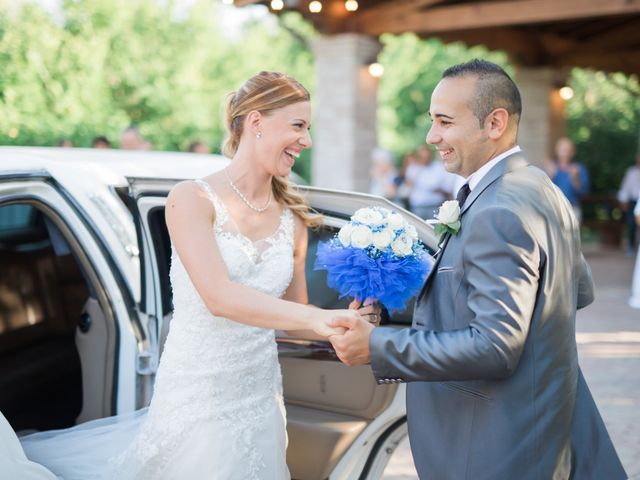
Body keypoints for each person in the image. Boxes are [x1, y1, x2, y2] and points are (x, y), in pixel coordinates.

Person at [18, 72, 373, 479]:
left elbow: (292, 316)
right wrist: (318, 318)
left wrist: (346, 324)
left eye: (307, 129)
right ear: (256, 122)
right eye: (298, 125)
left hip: (259, 398)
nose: (306, 140)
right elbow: (218, 297)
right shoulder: (191, 198)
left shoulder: (292, 218)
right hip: (197, 396)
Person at [328, 59, 626, 479]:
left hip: (493, 446)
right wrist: (395, 315)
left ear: (495, 122)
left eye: (445, 122)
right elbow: (576, 291)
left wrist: (378, 345)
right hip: (542, 425)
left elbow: (496, 345)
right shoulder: (541, 187)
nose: (433, 137)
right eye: (433, 122)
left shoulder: (497, 209)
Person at [404, 144, 456, 219]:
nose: (425, 159)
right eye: (422, 156)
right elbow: (408, 185)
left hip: (435, 206)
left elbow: (443, 186)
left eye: (427, 156)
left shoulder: (439, 167)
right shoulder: (413, 168)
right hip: (418, 207)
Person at [545, 136, 590, 223]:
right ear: (557, 151)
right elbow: (541, 191)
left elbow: (584, 192)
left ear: (572, 152)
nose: (565, 153)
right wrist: (550, 175)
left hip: (572, 208)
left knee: (571, 236)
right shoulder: (550, 168)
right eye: (563, 150)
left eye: (568, 150)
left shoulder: (579, 169)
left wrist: (575, 178)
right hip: (552, 208)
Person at [617, 154, 640, 255]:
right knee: (631, 225)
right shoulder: (631, 172)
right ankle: (630, 246)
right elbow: (625, 188)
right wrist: (623, 200)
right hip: (633, 201)